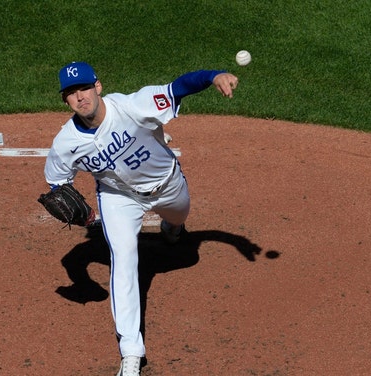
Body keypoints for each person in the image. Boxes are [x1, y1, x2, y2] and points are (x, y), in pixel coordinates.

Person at [43, 61, 238, 376]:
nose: (80, 97)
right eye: (71, 93)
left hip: (168, 183)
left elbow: (179, 87)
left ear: (98, 86)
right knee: (123, 259)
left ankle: (172, 226)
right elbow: (56, 182)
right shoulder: (66, 142)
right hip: (119, 198)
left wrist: (214, 76)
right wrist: (81, 273)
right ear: (65, 100)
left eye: (84, 88)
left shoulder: (133, 106)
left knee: (180, 218)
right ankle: (131, 354)